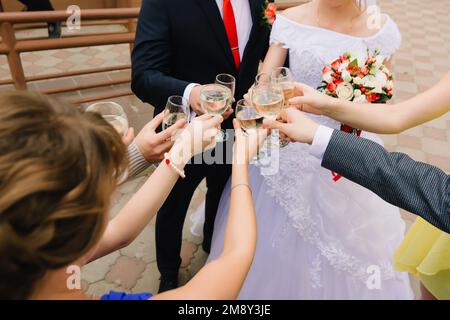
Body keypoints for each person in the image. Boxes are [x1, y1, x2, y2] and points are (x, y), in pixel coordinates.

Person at [207, 0, 413, 299]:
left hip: (351, 152)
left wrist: (353, 107)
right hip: (290, 145)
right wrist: (257, 99)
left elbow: (383, 105)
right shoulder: (290, 20)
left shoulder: (382, 30)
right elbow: (265, 79)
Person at [0, 91, 267, 300]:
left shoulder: (37, 254)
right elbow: (236, 256)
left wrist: (179, 153)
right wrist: (240, 162)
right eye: (107, 193)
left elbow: (120, 233)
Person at [131, 0, 270, 292]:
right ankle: (168, 272)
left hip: (235, 127)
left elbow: (267, 49)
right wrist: (191, 91)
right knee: (172, 204)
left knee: (222, 193)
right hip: (184, 130)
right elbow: (143, 75)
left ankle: (212, 244)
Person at [282, 71, 450, 299]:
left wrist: (319, 136)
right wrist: (327, 105)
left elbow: (439, 194)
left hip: (442, 205)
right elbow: (398, 115)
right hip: (439, 220)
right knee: (430, 287)